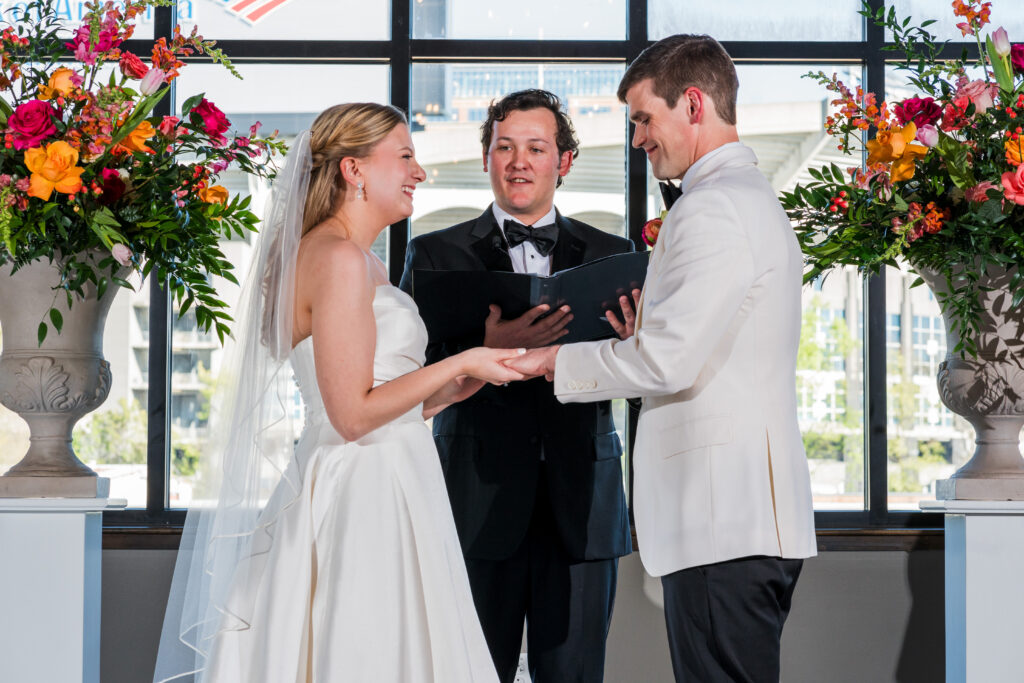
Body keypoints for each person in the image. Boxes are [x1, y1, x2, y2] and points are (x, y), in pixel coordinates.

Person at [153, 103, 527, 683]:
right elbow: (351, 416)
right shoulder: (339, 259)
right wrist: (462, 357)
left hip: (392, 472)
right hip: (364, 489)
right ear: (353, 170)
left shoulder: (358, 260)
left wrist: (460, 383)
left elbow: (379, 400)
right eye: (404, 156)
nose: (419, 173)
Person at [506, 36, 818, 683]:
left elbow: (668, 363)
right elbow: (702, 347)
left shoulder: (714, 207)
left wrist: (550, 362)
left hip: (723, 522)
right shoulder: (744, 197)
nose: (638, 139)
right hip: (737, 520)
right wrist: (641, 329)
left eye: (645, 118)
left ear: (694, 104)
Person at [398, 89, 632, 683]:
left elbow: (644, 384)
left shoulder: (617, 255)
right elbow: (404, 380)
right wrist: (484, 353)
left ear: (565, 161)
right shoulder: (433, 255)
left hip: (582, 504)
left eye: (535, 148)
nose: (519, 161)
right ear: (486, 158)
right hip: (474, 503)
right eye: (505, 147)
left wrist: (634, 350)